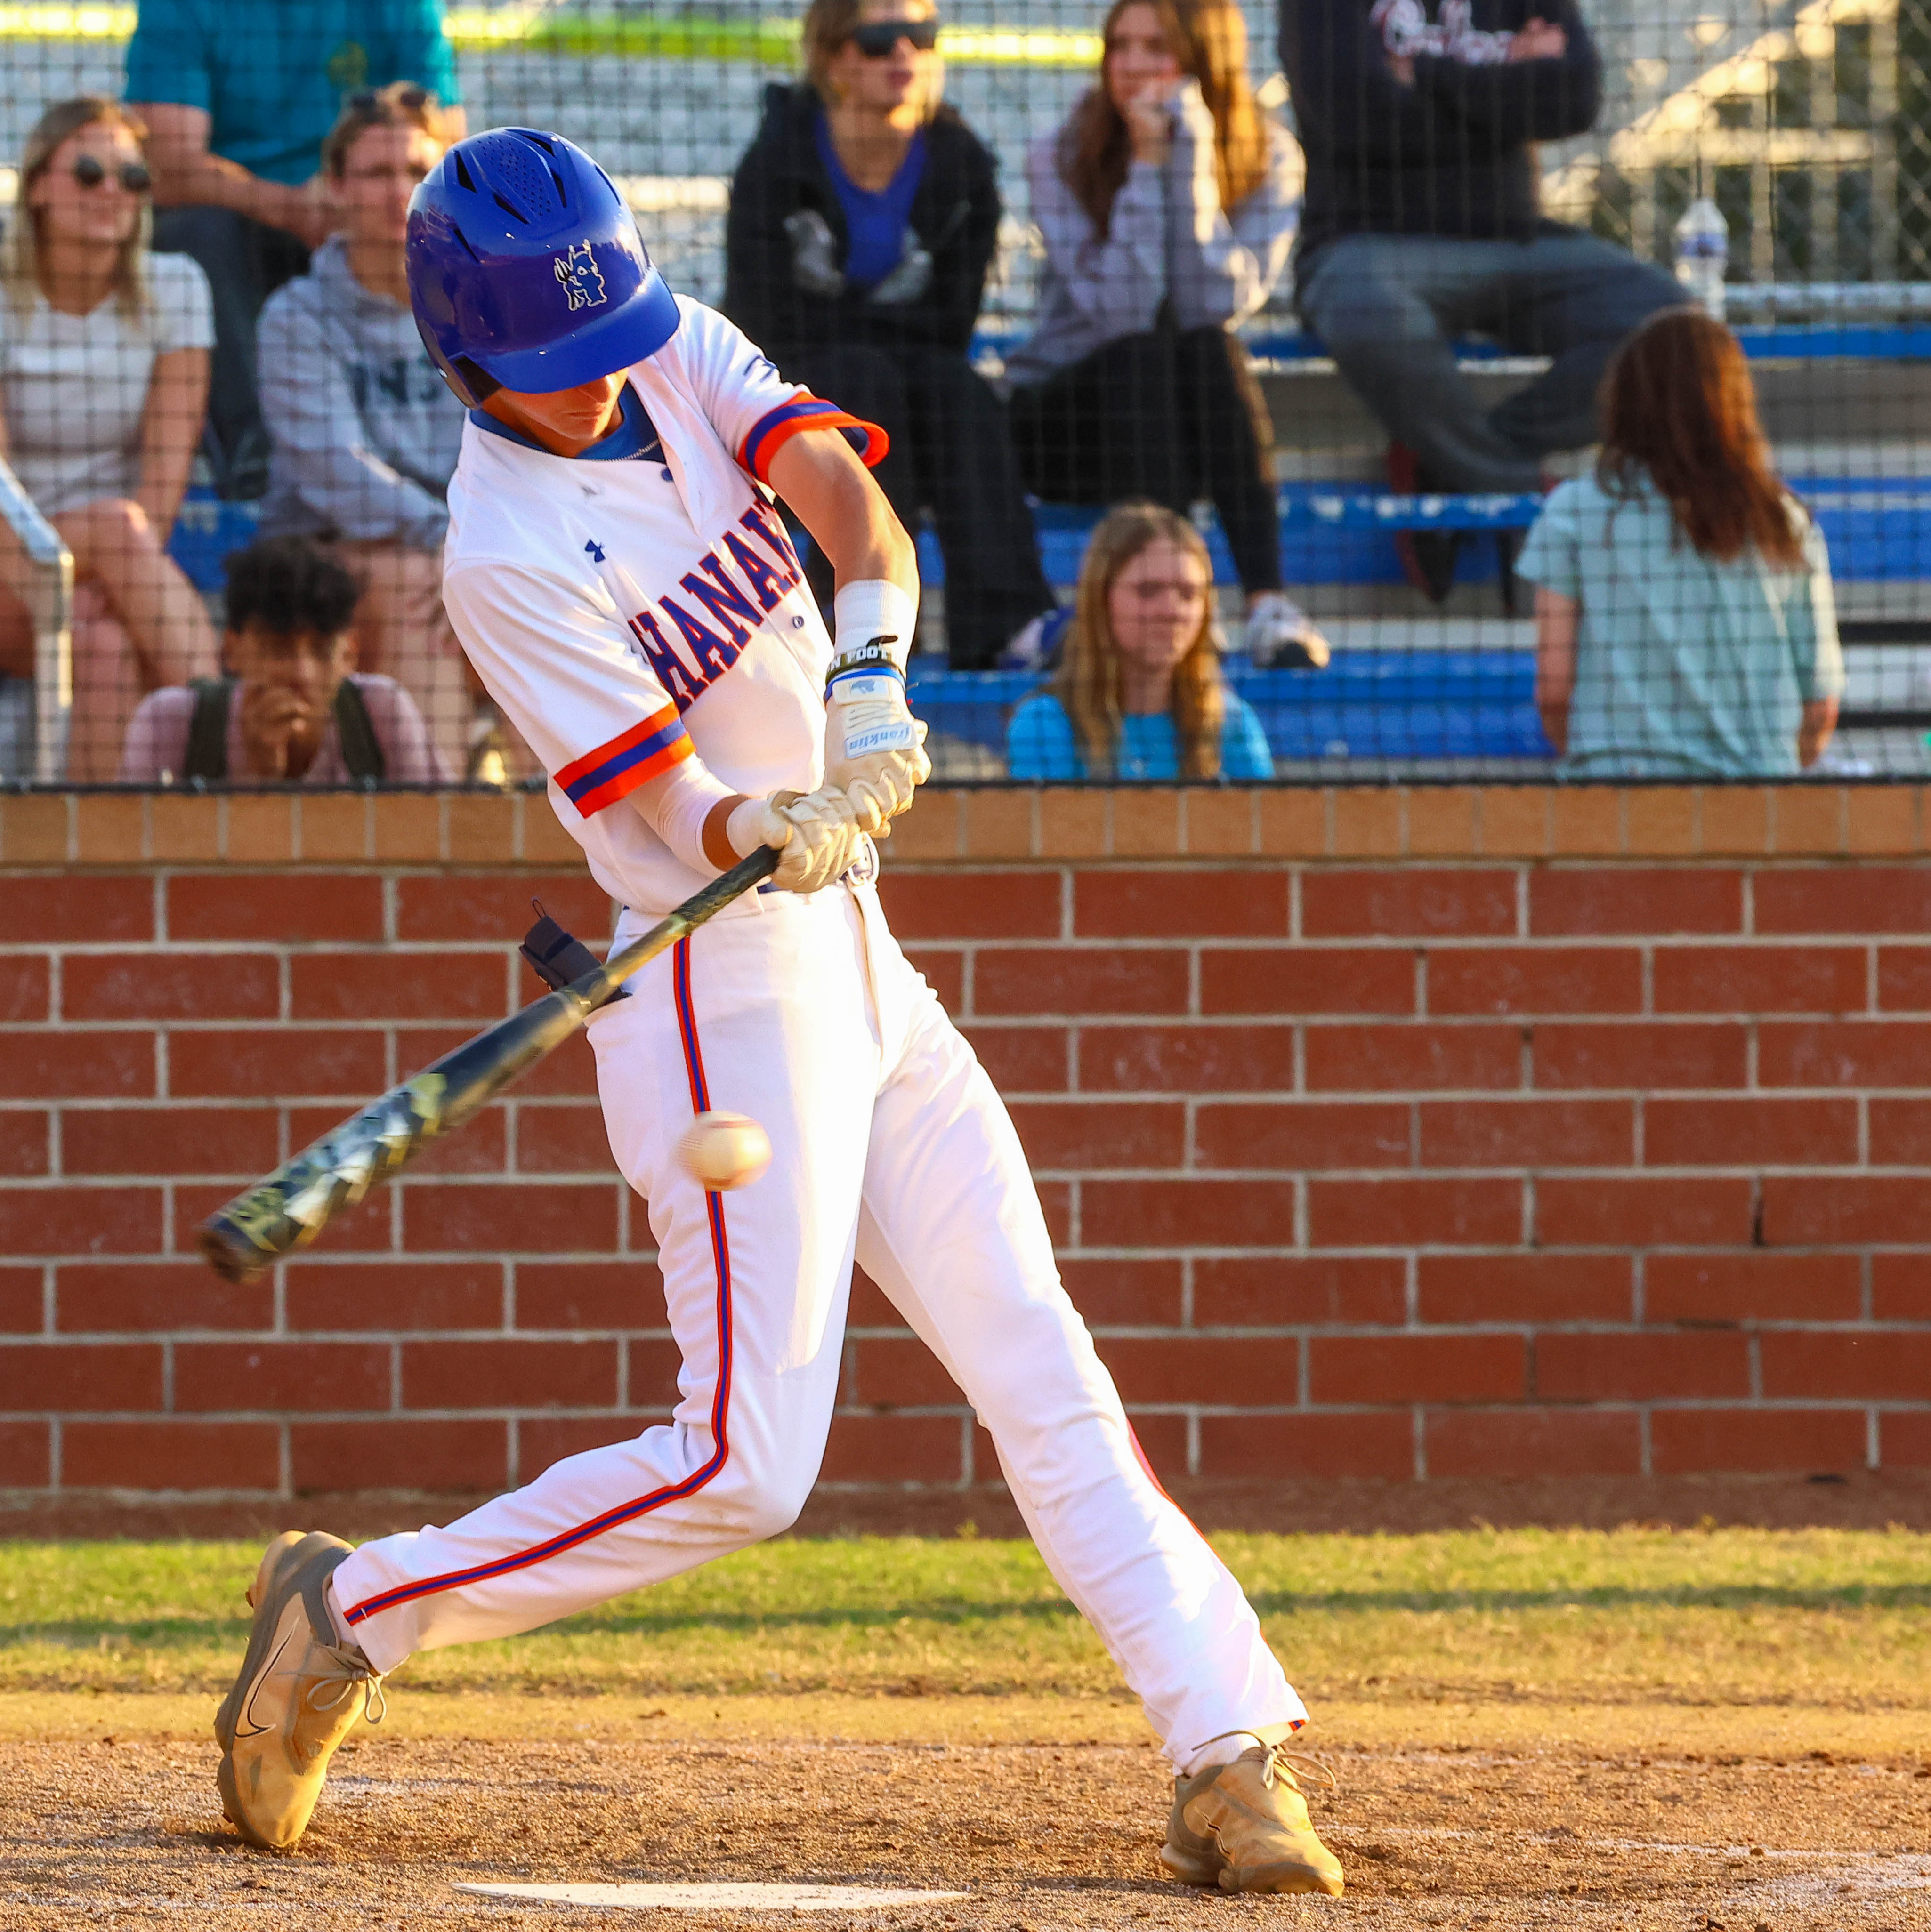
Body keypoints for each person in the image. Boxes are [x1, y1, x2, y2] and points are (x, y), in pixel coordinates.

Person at [210, 127, 1342, 1901]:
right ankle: (351, 1607)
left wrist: (872, 680)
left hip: (858, 951)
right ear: (465, 362)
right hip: (716, 973)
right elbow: (668, 810)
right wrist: (772, 819)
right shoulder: (498, 551)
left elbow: (838, 495)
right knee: (747, 1466)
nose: (602, 383)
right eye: (555, 371)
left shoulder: (649, 332)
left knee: (1035, 1350)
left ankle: (1224, 1747)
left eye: (608, 347)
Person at [1278, 0, 1682, 600]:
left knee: (1674, 332)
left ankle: (1447, 460)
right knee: (1365, 310)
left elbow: (1572, 100)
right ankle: (1514, 483)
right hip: (1368, 243)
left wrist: (1429, 76)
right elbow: (1357, 118)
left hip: (1512, 238)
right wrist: (1506, 90)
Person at [724, 0, 1057, 668]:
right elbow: (762, 317)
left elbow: (951, 323)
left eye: (919, 36)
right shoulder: (775, 161)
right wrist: (872, 335)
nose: (903, 53)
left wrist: (865, 329)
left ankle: (1003, 622)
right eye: (879, 39)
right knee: (860, 379)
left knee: (959, 392)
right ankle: (852, 619)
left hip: (914, 369)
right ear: (834, 56)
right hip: (805, 379)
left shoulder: (962, 165)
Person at [1009, 0, 1326, 673]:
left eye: (1155, 48)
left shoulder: (1270, 153)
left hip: (1179, 428)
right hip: (1062, 423)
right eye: (1119, 46)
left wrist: (1191, 159)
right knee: (1144, 352)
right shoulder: (1057, 153)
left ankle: (1266, 605)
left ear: (1200, 59)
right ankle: (1179, 606)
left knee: (1207, 347)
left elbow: (1211, 304)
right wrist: (1148, 167)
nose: (1130, 66)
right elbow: (1124, 310)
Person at [0, 97, 221, 782]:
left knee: (105, 646)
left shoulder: (179, 289)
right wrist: (75, 577)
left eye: (131, 176)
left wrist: (106, 587)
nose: (112, 191)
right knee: (118, 528)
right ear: (36, 187)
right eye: (89, 172)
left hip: (128, 571)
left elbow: (164, 488)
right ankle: (226, 737)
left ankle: (97, 861)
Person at [125, 0, 463, 498]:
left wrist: (366, 194)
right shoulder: (183, 8)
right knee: (193, 234)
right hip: (245, 217)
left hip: (366, 208)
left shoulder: (406, 7)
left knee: (440, 213)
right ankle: (252, 446)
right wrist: (290, 206)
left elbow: (445, 141)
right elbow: (167, 163)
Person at [258, 84, 481, 768]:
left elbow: (525, 446)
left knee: (541, 601)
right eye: (377, 173)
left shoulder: (483, 306)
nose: (398, 192)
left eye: (416, 172)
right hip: (327, 552)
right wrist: (452, 541)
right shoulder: (295, 316)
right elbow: (333, 467)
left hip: (460, 544)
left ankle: (545, 842)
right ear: (335, 186)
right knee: (419, 592)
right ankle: (441, 833)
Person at [1522, 309, 1842, 779]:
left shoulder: (1573, 511)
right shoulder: (1783, 520)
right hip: (1755, 798)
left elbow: (1552, 691)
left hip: (1615, 799)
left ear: (1625, 398)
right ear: (1734, 400)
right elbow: (1820, 702)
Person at [119, 533, 449, 783]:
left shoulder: (384, 711)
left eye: (321, 651)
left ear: (350, 654)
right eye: (278, 649)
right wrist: (260, 777)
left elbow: (438, 837)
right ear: (231, 649)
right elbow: (129, 857)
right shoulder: (168, 720)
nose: (302, 673)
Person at [1007, 501, 1273, 781]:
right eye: (1148, 591)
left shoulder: (1232, 724)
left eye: (1188, 594)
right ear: (1101, 600)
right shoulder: (1044, 724)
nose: (1172, 612)